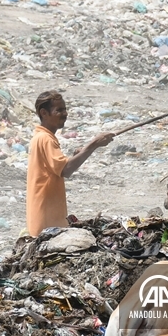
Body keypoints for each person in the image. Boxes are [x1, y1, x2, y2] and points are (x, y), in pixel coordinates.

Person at [26, 91, 114, 236]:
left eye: (65, 109)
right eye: (58, 110)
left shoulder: (42, 137)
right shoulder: (45, 139)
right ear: (44, 113)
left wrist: (83, 151)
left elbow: (58, 167)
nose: (64, 113)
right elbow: (66, 170)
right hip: (46, 222)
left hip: (47, 218)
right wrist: (94, 144)